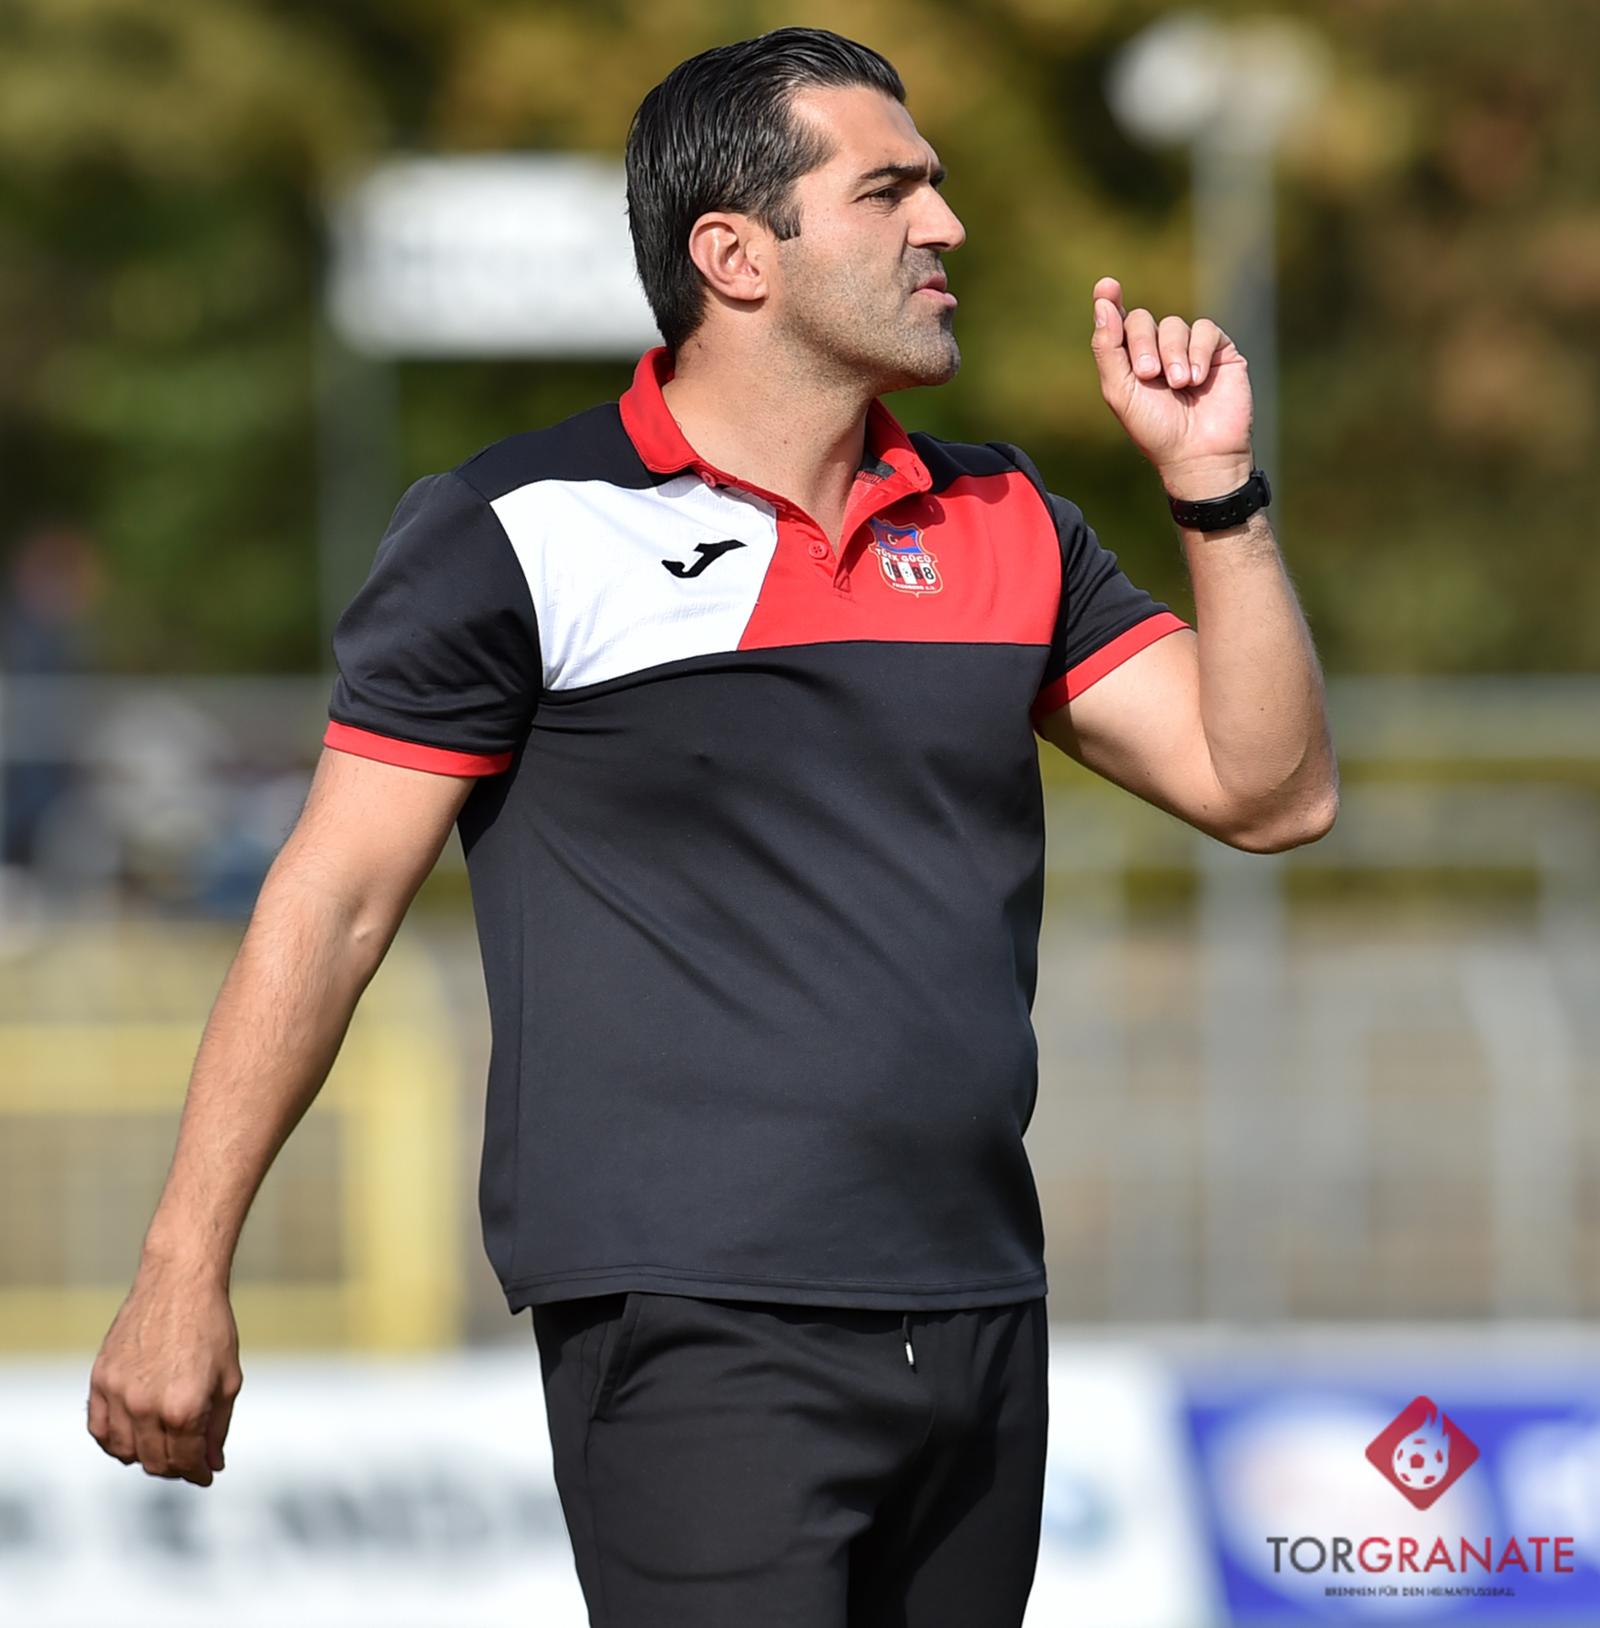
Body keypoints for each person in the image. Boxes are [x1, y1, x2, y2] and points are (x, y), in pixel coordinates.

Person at [86, 25, 1338, 1626]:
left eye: (936, 187)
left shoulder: (1009, 517)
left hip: (979, 1309)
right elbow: (328, 907)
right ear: (734, 255)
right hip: (695, 1323)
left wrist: (1218, 496)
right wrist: (181, 1267)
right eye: (889, 191)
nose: (946, 225)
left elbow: (1271, 791)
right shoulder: (518, 530)